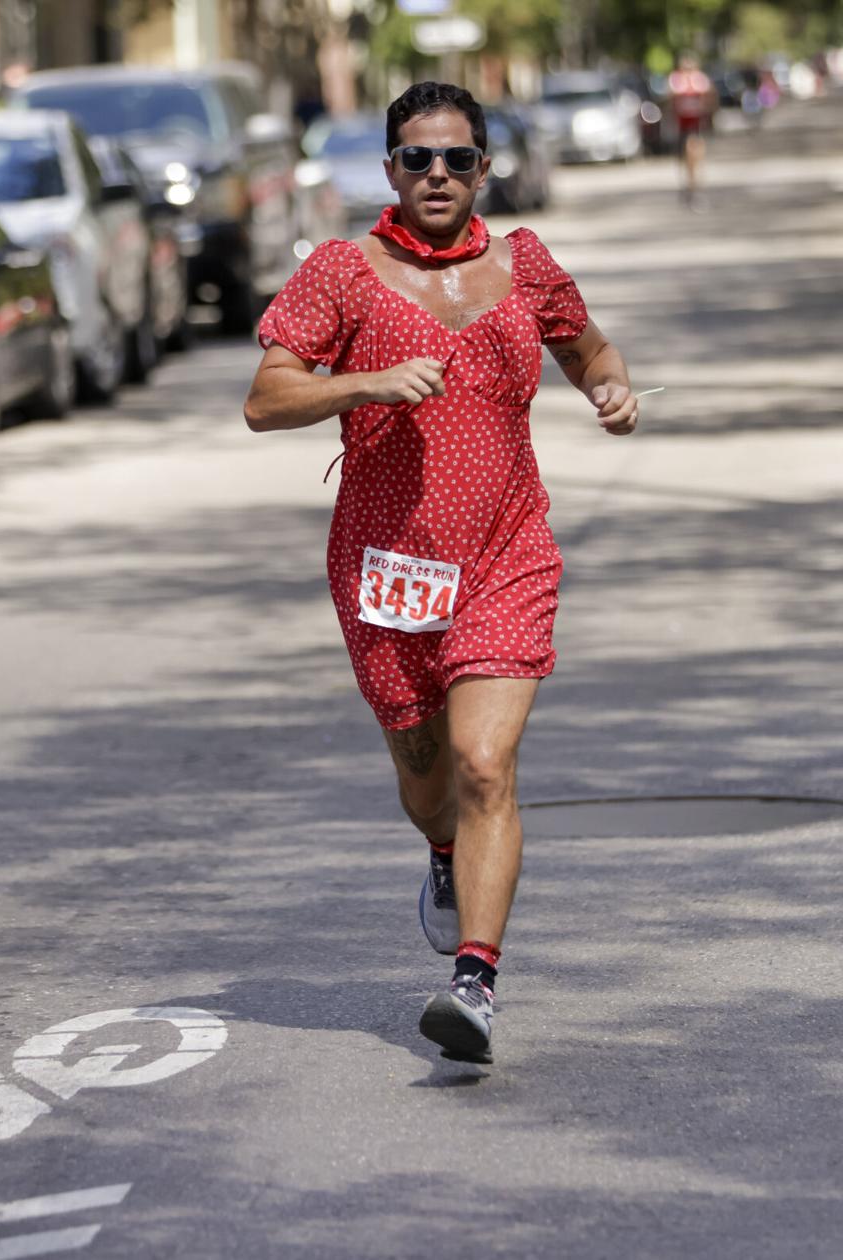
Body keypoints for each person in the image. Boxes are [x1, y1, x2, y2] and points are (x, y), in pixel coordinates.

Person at [244, 82, 638, 1065]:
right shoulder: (342, 271)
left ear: (483, 171)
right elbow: (264, 398)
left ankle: (474, 982)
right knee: (427, 784)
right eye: (416, 159)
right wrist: (364, 381)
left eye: (456, 159)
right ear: (387, 171)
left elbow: (586, 349)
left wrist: (609, 386)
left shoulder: (525, 265)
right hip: (384, 571)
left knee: (481, 765)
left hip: (507, 554)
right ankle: (440, 855)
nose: (436, 175)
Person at [668, 54, 714, 208]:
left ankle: (695, 186)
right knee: (683, 158)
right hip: (682, 125)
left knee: (695, 153)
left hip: (696, 125)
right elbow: (671, 97)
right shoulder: (676, 79)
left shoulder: (699, 79)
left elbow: (709, 97)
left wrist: (708, 115)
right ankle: (688, 186)